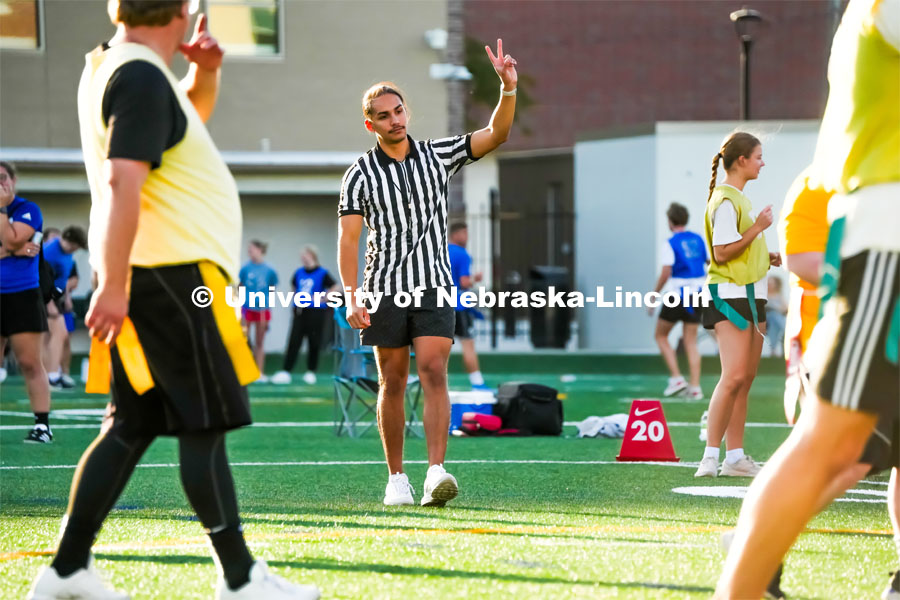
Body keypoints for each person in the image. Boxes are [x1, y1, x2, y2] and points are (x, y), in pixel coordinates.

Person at [27, 2, 319, 599]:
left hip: (152, 272)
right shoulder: (137, 73)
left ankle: (66, 571)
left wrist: (205, 75)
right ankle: (240, 580)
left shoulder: (117, 66)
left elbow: (172, 133)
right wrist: (111, 281)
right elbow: (121, 181)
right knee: (203, 423)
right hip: (171, 277)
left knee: (129, 427)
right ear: (183, 11)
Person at [715, 0, 900, 596]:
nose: (764, 162)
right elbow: (790, 263)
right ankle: (751, 574)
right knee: (837, 446)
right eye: (756, 156)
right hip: (884, 250)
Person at [338, 39, 517, 507]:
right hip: (383, 289)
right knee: (392, 380)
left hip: (435, 285)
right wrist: (352, 295)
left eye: (398, 111)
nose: (394, 119)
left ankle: (437, 471)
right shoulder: (358, 174)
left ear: (406, 112)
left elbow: (495, 134)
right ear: (370, 123)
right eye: (383, 115)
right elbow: (349, 240)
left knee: (435, 369)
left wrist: (508, 88)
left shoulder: (438, 154)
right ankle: (397, 478)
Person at [694, 132, 782, 479]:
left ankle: (735, 457)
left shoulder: (738, 199)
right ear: (742, 160)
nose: (762, 162)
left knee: (744, 379)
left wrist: (765, 253)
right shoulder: (727, 199)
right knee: (732, 378)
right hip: (730, 297)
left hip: (749, 294)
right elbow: (722, 252)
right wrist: (759, 228)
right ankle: (710, 457)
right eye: (758, 156)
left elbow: (739, 248)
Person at [0, 160, 54, 443]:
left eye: (2, 178)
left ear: (13, 180)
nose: (0, 184)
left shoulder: (27, 209)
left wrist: (1, 209)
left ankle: (42, 426)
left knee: (30, 362)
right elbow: (15, 246)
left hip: (22, 293)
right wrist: (14, 250)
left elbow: (10, 240)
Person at [650, 202, 707, 400]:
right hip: (698, 294)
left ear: (670, 221)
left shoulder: (671, 242)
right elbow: (707, 262)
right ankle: (695, 386)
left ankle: (676, 378)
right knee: (691, 341)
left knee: (661, 335)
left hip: (679, 294)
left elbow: (666, 271)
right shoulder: (698, 239)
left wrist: (654, 294)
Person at [271, 245, 337, 385]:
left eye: (305, 255)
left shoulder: (322, 272)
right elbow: (294, 288)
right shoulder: (299, 272)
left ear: (312, 255)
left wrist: (323, 297)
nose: (303, 257)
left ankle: (311, 371)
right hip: (300, 311)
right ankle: (286, 371)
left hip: (316, 312)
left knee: (314, 341)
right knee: (294, 340)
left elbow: (336, 287)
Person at [41, 225, 88, 389]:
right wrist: (49, 303)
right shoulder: (49, 253)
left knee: (59, 335)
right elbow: (40, 278)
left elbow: (64, 279)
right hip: (42, 298)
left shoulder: (67, 253)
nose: (74, 250)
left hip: (55, 298)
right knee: (51, 336)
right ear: (67, 239)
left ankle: (52, 374)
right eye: (74, 246)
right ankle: (50, 375)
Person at [448, 222, 490, 391]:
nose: (467, 237)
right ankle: (478, 383)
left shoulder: (441, 252)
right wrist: (476, 279)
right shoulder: (463, 255)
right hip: (458, 306)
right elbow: (464, 282)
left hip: (440, 303)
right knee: (468, 344)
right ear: (456, 234)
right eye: (464, 233)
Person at [239, 239, 278, 383]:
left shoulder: (270, 270)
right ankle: (244, 372)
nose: (250, 251)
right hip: (246, 308)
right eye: (249, 249)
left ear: (260, 250)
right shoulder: (245, 269)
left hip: (263, 309)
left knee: (260, 342)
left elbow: (272, 288)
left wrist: (269, 305)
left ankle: (259, 373)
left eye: (252, 249)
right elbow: (240, 286)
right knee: (243, 340)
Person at [764, 276, 787, 357]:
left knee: (774, 324)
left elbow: (785, 308)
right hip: (766, 319)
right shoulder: (764, 295)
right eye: (768, 283)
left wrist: (775, 307)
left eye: (771, 283)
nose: (769, 284)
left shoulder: (778, 295)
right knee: (774, 316)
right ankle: (786, 329)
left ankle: (773, 350)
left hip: (775, 320)